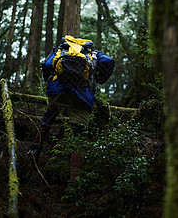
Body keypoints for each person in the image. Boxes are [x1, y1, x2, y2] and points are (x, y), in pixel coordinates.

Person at [29, 35, 115, 182]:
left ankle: (33, 152)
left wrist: (51, 80)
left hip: (58, 90)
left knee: (48, 116)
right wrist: (99, 79)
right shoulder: (93, 53)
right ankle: (74, 180)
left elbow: (48, 65)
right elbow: (108, 61)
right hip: (82, 95)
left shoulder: (62, 49)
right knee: (79, 135)